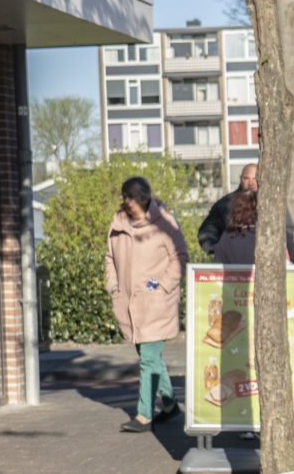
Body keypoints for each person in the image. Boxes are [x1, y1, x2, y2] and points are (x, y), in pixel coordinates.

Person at [105, 175, 187, 433]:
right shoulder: (118, 225)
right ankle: (171, 404)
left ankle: (143, 415)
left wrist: (160, 285)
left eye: (130, 195)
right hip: (129, 304)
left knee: (149, 357)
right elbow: (110, 258)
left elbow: (180, 258)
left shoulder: (165, 223)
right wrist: (114, 287)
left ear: (144, 196)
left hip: (157, 304)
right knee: (148, 356)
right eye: (124, 195)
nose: (126, 201)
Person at [198, 163, 257, 256]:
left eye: (255, 178)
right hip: (231, 263)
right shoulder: (225, 204)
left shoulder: (271, 205)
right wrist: (214, 248)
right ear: (240, 178)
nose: (251, 183)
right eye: (246, 178)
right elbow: (207, 231)